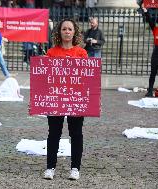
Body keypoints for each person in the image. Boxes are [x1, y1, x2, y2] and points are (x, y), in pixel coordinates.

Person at [43, 18, 88, 180]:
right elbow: (43, 79)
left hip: (75, 98)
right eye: (64, 29)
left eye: (70, 29)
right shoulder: (51, 52)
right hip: (56, 97)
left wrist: (94, 102)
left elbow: (88, 79)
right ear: (59, 32)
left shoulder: (81, 53)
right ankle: (50, 167)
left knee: (76, 133)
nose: (67, 32)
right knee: (53, 133)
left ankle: (75, 168)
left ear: (74, 32)